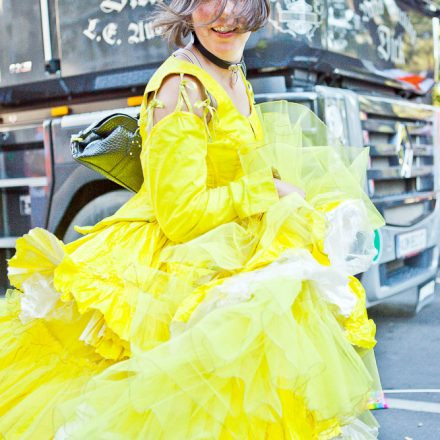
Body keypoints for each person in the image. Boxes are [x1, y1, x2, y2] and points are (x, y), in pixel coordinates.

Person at [0, 0, 385, 438]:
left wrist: (280, 190)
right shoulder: (182, 88)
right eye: (208, 0)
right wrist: (267, 191)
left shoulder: (232, 72)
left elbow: (235, 167)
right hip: (176, 261)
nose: (224, 15)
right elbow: (180, 217)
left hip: (229, 238)